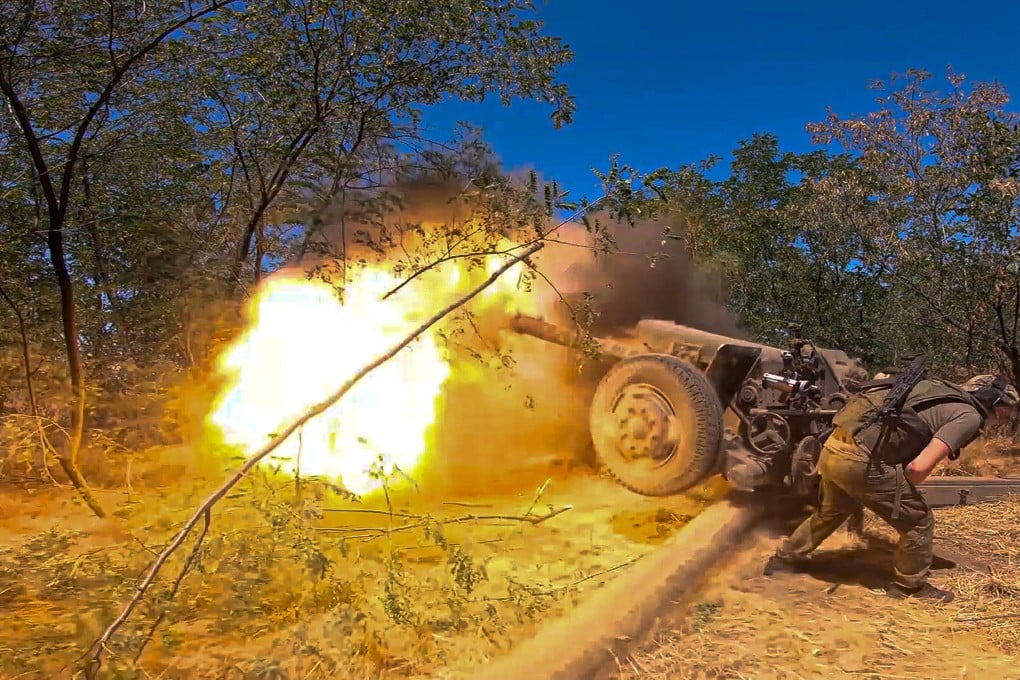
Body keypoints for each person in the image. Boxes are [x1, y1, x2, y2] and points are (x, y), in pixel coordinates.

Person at [764, 373, 1018, 602]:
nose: (1005, 418)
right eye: (1005, 410)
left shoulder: (934, 389)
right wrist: (898, 491)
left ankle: (782, 559)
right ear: (990, 400)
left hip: (833, 448)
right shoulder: (968, 416)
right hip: (860, 460)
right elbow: (918, 469)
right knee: (919, 520)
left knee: (832, 511)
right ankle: (909, 586)